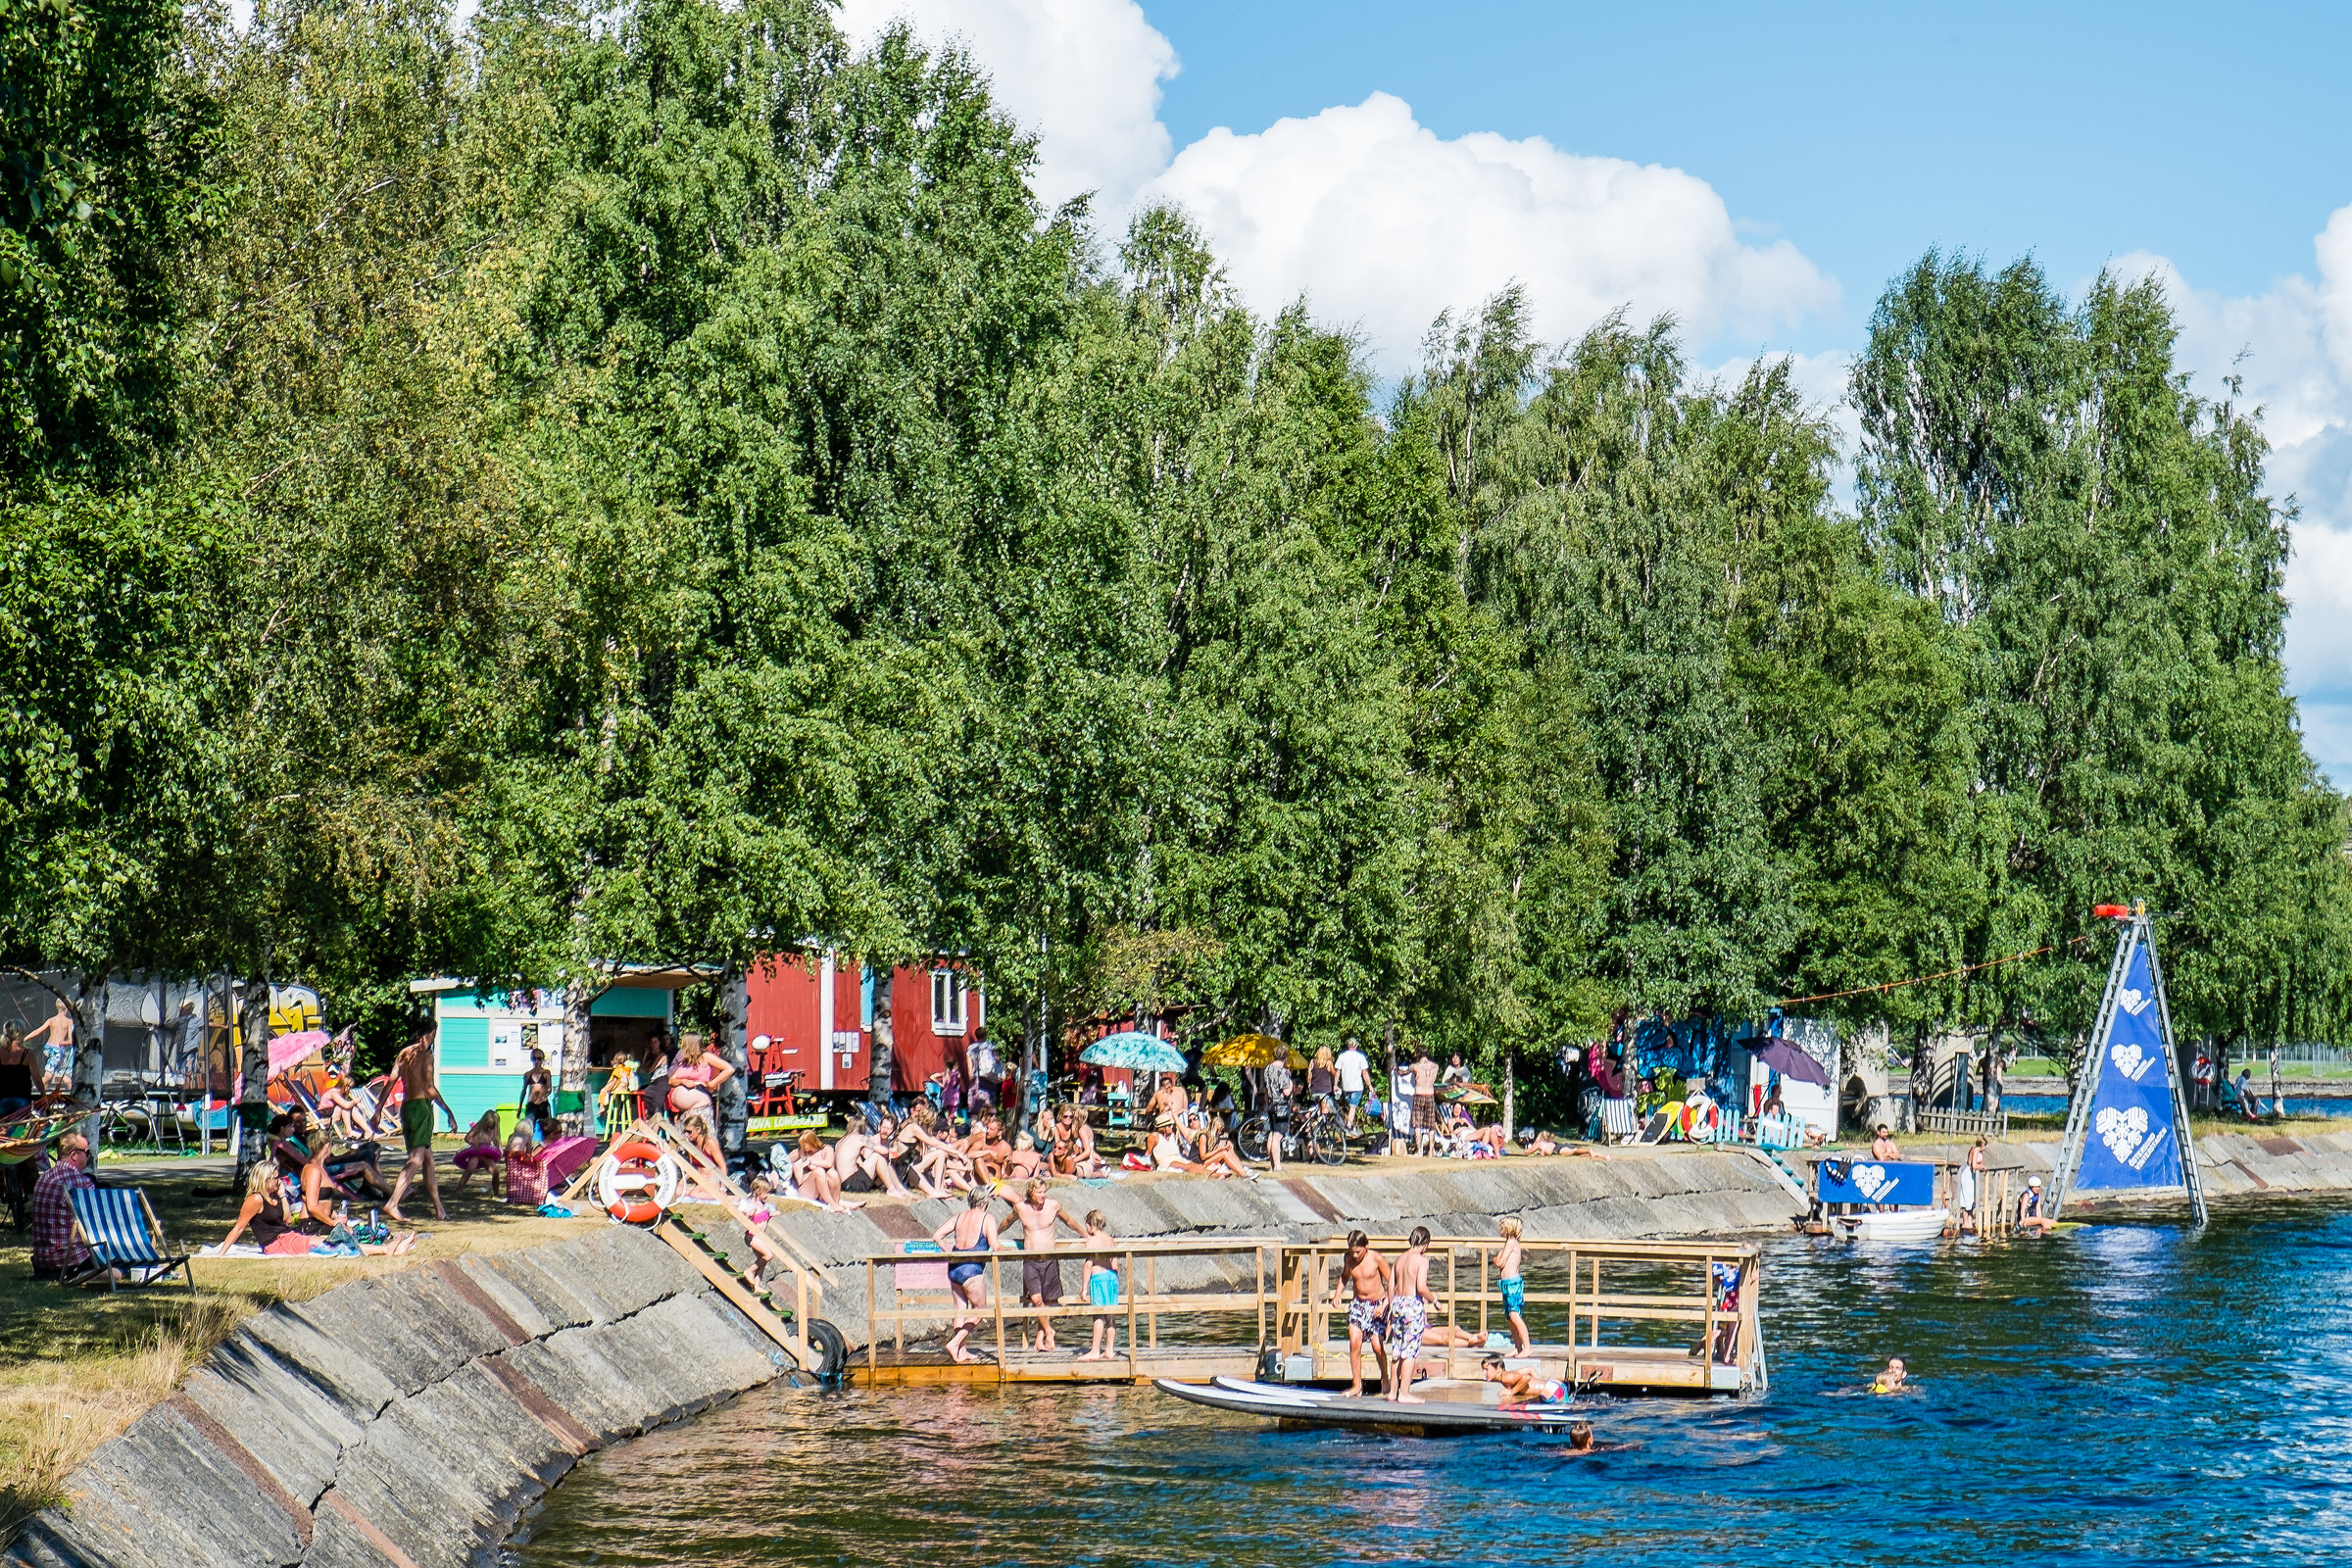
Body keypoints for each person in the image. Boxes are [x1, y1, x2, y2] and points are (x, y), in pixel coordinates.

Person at [385, 1030, 456, 1224]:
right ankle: (393, 1203)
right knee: (416, 1158)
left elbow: (390, 1081)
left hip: (407, 1108)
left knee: (428, 1159)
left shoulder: (404, 1054)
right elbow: (430, 1088)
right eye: (433, 1034)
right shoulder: (425, 1056)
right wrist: (448, 1111)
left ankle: (439, 1209)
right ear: (425, 1035)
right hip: (421, 1108)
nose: (434, 1038)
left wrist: (377, 1111)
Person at [1006, 1180, 1080, 1351]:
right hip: (1030, 1259)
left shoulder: (1053, 1205)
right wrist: (993, 1235)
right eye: (1039, 1192)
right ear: (1031, 1192)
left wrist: (1085, 1234)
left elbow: (1068, 1221)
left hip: (1049, 1258)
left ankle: (1039, 1340)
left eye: (1044, 1191)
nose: (1042, 1195)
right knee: (1036, 1299)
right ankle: (1049, 1331)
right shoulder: (1021, 1208)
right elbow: (1007, 1222)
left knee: (1045, 1301)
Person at [931, 1188, 1001, 1364]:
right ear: (985, 1201)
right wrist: (1011, 1250)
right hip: (972, 1269)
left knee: (960, 1310)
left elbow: (937, 1235)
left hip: (954, 1266)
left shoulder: (959, 1216)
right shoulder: (987, 1218)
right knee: (980, 1310)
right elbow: (995, 1245)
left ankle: (961, 1351)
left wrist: (948, 1249)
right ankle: (954, 1343)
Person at [31, 1130, 100, 1279]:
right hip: (70, 1260)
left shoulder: (44, 1178)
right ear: (74, 1155)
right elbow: (96, 1224)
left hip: (42, 1259)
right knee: (119, 1267)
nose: (88, 1157)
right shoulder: (81, 1182)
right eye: (87, 1152)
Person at [1332, 1229, 1391, 1398]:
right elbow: (1344, 1277)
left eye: (1358, 1252)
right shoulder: (1348, 1258)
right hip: (1358, 1304)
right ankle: (1357, 1385)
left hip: (1377, 1305)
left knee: (1377, 1346)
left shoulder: (1376, 1258)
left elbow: (1392, 1282)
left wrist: (1385, 1305)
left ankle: (1385, 1377)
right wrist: (1337, 1294)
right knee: (1354, 1342)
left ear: (1366, 1246)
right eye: (1352, 1252)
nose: (1355, 1255)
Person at [1385, 1225, 1438, 1402]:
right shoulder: (1421, 1260)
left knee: (1397, 1350)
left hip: (1397, 1304)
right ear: (1426, 1243)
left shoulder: (1399, 1259)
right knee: (1410, 1350)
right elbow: (1421, 1287)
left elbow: (1390, 1286)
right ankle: (1404, 1393)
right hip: (1412, 1305)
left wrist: (1391, 1306)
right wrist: (1434, 1300)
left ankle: (1392, 1392)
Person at [664, 1036, 733, 1167]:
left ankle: (718, 1169)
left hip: (701, 1106)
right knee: (686, 1140)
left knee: (705, 1138)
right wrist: (683, 1081)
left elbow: (729, 1069)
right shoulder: (685, 1061)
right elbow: (671, 1080)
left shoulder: (705, 1057)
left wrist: (713, 1083)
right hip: (685, 1111)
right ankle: (689, 1168)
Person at [1075, 1210, 1122, 1361]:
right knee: (1111, 1314)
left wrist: (1084, 1288)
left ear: (1091, 1225)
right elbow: (1115, 1263)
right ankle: (1109, 1350)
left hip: (1099, 1279)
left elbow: (1088, 1265)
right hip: (1111, 1277)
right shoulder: (1110, 1239)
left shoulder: (1091, 1241)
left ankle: (1095, 1350)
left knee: (1098, 1315)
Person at [21, 999, 75, 1094]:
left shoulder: (51, 1020)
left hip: (48, 1049)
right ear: (67, 1010)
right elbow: (71, 1041)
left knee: (65, 1077)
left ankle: (71, 1094)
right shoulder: (69, 1022)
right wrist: (63, 1042)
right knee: (48, 1076)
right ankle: (33, 1089)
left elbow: (38, 1031)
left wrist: (25, 1038)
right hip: (57, 1052)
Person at [1495, 1215, 1531, 1354]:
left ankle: (1527, 1347)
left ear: (1508, 1229)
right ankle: (1518, 1347)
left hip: (1513, 1284)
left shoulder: (1511, 1243)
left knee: (1514, 1315)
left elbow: (1500, 1262)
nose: (1500, 1230)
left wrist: (1497, 1257)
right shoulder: (1508, 1244)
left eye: (1502, 1228)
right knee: (1510, 1318)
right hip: (1506, 1284)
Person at [1480, 1355, 1567, 1409]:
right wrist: (1539, 1382)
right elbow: (1530, 1369)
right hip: (1554, 1385)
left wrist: (1512, 1392)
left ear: (1498, 1369)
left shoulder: (1506, 1378)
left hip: (1551, 1391)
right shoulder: (1509, 1375)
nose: (1484, 1373)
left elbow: (1526, 1378)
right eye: (1483, 1369)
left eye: (1486, 1369)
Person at [452, 1108, 505, 1193]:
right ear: (483, 1122)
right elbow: (467, 1138)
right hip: (475, 1154)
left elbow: (496, 1141)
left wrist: (500, 1149)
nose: (488, 1129)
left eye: (491, 1127)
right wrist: (473, 1143)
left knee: (495, 1172)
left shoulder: (494, 1130)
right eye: (487, 1126)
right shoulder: (478, 1127)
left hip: (486, 1155)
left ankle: (496, 1192)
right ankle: (459, 1189)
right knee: (470, 1169)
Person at [1261, 1051, 1294, 1171]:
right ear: (1285, 1057)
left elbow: (1265, 1089)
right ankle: (1278, 1167)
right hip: (1281, 1106)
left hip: (1271, 1105)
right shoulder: (1282, 1071)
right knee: (1277, 1136)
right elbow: (1286, 1092)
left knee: (1272, 1133)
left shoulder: (1268, 1069)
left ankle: (1272, 1165)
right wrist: (1290, 1083)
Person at [0, 1022, 37, 1119]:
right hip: (22, 1100)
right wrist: (44, 1097)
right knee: (19, 1128)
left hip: (3, 1100)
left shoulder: (1, 1052)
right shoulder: (28, 1053)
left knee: (4, 1127)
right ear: (20, 1034)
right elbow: (37, 1078)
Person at [1335, 1038, 1370, 1130]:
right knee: (1353, 1107)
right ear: (1356, 1046)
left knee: (1349, 1107)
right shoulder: (1360, 1057)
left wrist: (1335, 1084)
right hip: (1357, 1086)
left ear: (1348, 1045)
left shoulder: (1342, 1056)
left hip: (1346, 1086)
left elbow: (1337, 1072)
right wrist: (1369, 1085)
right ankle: (1349, 1127)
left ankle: (1346, 1124)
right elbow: (1364, 1073)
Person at [1411, 1048, 1441, 1157]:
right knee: (1431, 1125)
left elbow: (1403, 1072)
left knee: (1417, 1123)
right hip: (1430, 1094)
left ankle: (1419, 1151)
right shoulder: (1435, 1066)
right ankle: (1430, 1151)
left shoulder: (1415, 1066)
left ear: (1418, 1054)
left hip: (1419, 1094)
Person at [519, 1048, 555, 1140]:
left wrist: (543, 1096)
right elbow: (524, 1091)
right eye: (534, 1058)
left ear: (542, 1059)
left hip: (543, 1104)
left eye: (539, 1058)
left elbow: (549, 1088)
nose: (537, 1061)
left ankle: (546, 1144)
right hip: (532, 1105)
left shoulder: (546, 1073)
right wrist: (520, 1107)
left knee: (547, 1128)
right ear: (532, 1059)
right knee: (528, 1128)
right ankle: (528, 1145)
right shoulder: (528, 1074)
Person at [1956, 1138, 1987, 1234]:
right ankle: (1965, 1222)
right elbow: (1973, 1165)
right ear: (1981, 1145)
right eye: (1985, 1145)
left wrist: (1981, 1166)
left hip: (1973, 1175)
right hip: (1967, 1174)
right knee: (1967, 1198)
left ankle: (1969, 1220)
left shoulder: (1980, 1152)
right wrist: (1982, 1167)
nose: (1986, 1147)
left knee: (1972, 1198)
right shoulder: (1975, 1150)